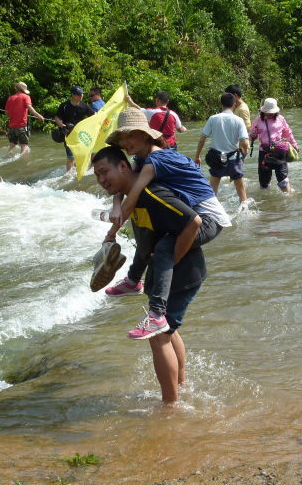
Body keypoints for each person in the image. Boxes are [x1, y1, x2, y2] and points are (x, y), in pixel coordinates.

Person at [93, 145, 208, 404]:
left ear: (123, 166)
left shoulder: (151, 194)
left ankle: (170, 407)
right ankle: (181, 387)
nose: (101, 180)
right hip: (163, 272)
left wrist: (175, 258)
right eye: (97, 176)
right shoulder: (132, 197)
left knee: (158, 337)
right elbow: (146, 239)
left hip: (181, 270)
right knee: (166, 331)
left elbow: (194, 222)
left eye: (104, 172)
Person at [102, 107, 230, 301]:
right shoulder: (141, 158)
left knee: (163, 249)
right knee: (146, 233)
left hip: (208, 218)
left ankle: (157, 308)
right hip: (188, 213)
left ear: (145, 136)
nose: (124, 142)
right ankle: (133, 280)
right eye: (121, 138)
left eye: (129, 135)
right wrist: (116, 203)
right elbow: (125, 185)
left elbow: (133, 196)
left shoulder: (155, 160)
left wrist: (111, 234)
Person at [193, 92, 250, 205]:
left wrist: (197, 156)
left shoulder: (213, 119)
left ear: (220, 104)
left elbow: (202, 139)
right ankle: (244, 208)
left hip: (217, 158)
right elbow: (244, 142)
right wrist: (243, 154)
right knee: (241, 189)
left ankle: (211, 209)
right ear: (234, 104)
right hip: (234, 158)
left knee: (213, 187)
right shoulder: (238, 120)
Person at [249, 97, 299, 194]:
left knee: (282, 177)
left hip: (279, 151)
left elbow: (287, 133)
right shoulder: (258, 120)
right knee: (264, 180)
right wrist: (251, 138)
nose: (270, 114)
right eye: (268, 112)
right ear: (263, 111)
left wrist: (294, 144)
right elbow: (251, 134)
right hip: (264, 151)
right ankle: (267, 202)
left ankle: (289, 198)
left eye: (272, 112)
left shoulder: (280, 119)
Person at [53, 86, 95, 172]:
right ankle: (68, 175)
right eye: (78, 94)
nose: (81, 96)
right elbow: (57, 118)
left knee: (82, 154)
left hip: (80, 134)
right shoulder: (64, 106)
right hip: (68, 134)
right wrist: (62, 125)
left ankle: (78, 171)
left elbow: (94, 115)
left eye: (82, 94)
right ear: (72, 95)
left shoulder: (84, 106)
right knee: (70, 157)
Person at [5, 82, 45, 154]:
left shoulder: (10, 98)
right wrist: (39, 116)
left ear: (17, 88)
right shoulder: (26, 97)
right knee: (24, 146)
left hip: (11, 127)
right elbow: (30, 108)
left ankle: (8, 157)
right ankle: (22, 161)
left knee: (12, 145)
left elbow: (7, 113)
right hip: (21, 126)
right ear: (23, 89)